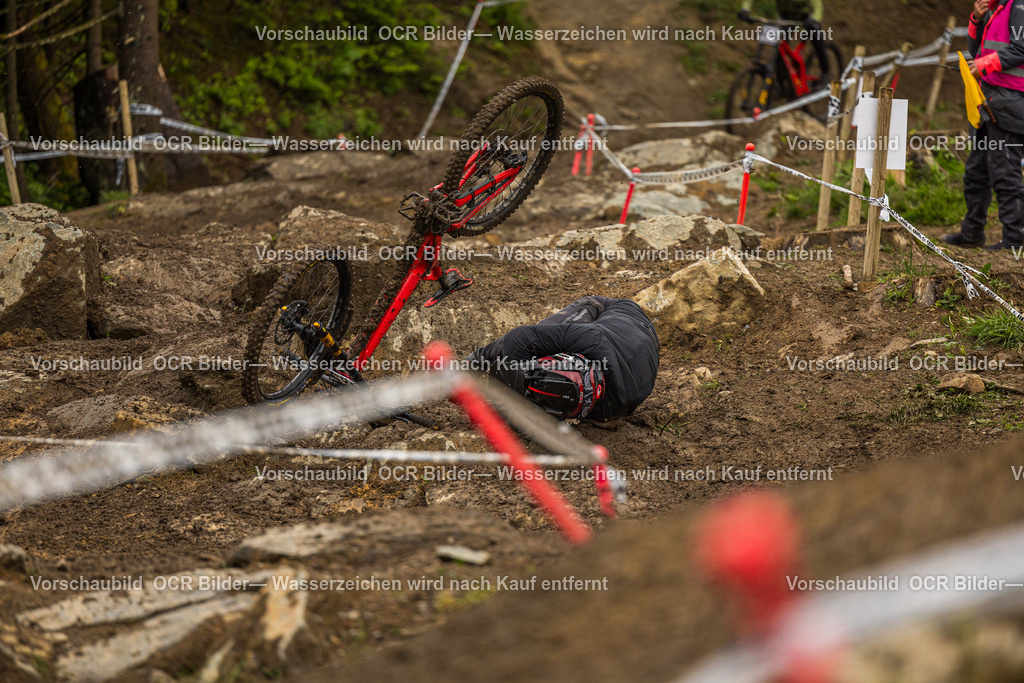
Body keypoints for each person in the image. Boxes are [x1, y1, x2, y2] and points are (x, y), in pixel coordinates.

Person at [466, 296, 659, 425]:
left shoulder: (606, 413)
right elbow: (519, 338)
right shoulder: (589, 339)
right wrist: (475, 363)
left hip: (634, 335)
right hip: (617, 312)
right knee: (544, 336)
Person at [944, 0, 1024, 251]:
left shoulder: (1019, 6)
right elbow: (977, 50)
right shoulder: (995, 9)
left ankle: (1015, 240)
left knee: (1006, 174)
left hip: (1011, 102)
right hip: (986, 100)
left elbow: (1021, 48)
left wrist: (983, 65)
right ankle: (972, 232)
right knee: (976, 171)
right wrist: (976, 21)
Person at [738, 0, 831, 84]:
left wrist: (814, 19)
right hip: (785, 17)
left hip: (806, 17)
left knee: (817, 37)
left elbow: (816, 4)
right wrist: (745, 9)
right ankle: (782, 79)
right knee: (777, 45)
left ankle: (826, 72)